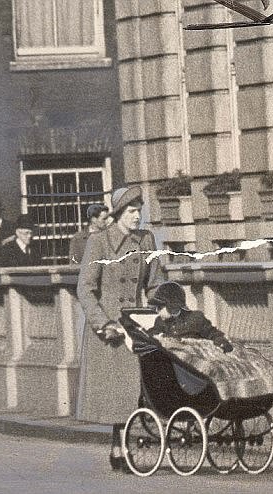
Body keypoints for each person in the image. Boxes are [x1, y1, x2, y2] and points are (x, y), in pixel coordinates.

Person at [77, 185, 164, 470]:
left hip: (136, 324)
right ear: (117, 214)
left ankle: (120, 447)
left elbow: (155, 284)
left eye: (139, 211)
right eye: (131, 211)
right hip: (111, 330)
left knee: (132, 390)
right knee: (118, 394)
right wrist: (102, 323)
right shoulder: (99, 242)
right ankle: (119, 447)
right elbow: (86, 289)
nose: (137, 216)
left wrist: (161, 310)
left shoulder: (146, 240)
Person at [147, 282, 233, 352]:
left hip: (193, 358)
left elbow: (212, 332)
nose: (157, 311)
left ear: (172, 305)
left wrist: (220, 341)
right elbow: (153, 333)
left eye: (160, 307)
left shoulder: (195, 318)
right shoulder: (160, 321)